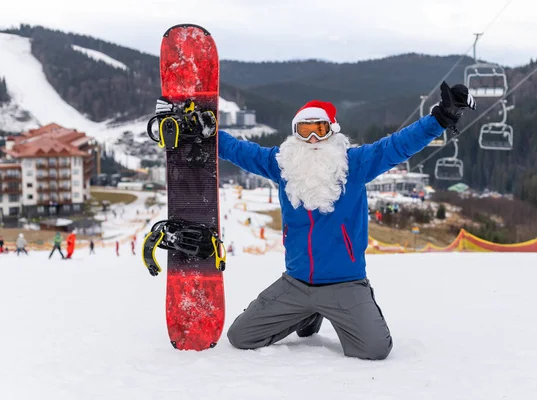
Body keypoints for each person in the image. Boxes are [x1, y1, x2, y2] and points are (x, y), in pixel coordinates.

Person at [155, 82, 475, 360]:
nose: (311, 139)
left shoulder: (355, 164)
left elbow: (397, 145)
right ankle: (306, 314)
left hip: (345, 284)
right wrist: (208, 135)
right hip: (295, 284)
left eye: (318, 129)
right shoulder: (282, 166)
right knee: (241, 337)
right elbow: (241, 151)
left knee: (375, 349)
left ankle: (324, 311)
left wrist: (439, 119)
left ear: (331, 131)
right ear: (295, 134)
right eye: (303, 130)